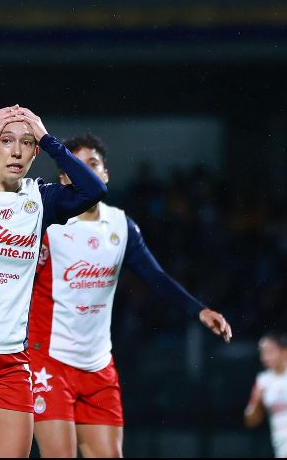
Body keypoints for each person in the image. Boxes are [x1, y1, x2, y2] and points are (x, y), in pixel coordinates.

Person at [28, 134, 233, 458]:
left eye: (93, 164)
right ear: (64, 177)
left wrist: (198, 311)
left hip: (98, 365)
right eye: (78, 166)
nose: (88, 172)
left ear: (106, 174)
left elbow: (155, 276)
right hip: (49, 363)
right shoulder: (46, 224)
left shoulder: (121, 226)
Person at [0, 106, 108, 458]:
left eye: (26, 143)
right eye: (5, 141)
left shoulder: (40, 198)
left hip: (11, 361)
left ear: (35, 151)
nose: (15, 151)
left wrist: (48, 138)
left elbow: (93, 190)